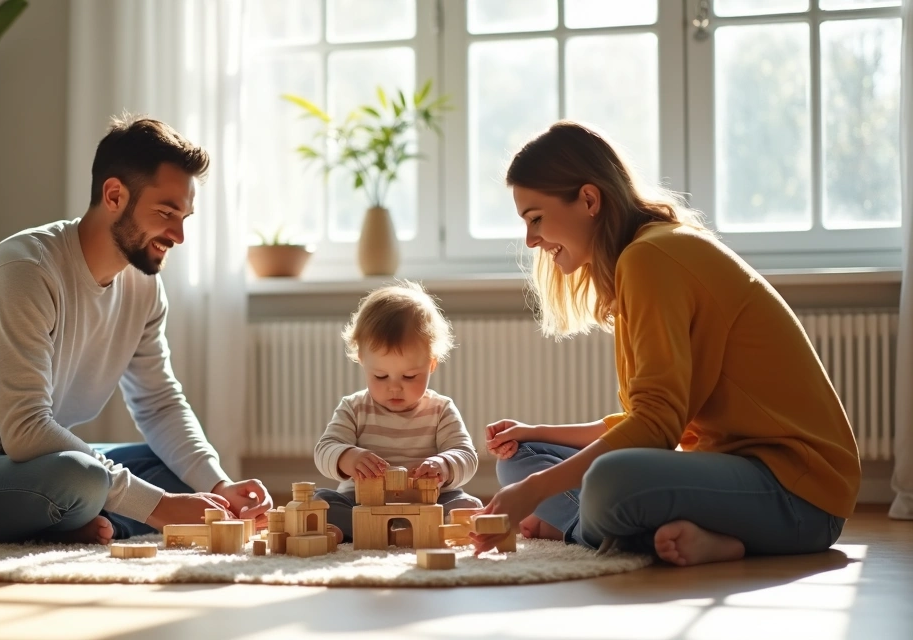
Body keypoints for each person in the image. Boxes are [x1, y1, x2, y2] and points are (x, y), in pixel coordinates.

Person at [472, 121, 860, 566]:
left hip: (799, 497)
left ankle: (579, 529)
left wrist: (537, 491)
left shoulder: (650, 258)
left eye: (536, 218)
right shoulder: (641, 257)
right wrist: (536, 435)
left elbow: (655, 429)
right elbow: (645, 422)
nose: (531, 240)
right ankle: (616, 530)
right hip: (738, 476)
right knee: (520, 459)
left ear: (589, 199)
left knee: (608, 481)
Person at [0, 115, 271, 546]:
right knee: (81, 477)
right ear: (114, 194)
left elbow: (159, 403)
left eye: (185, 216)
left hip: (41, 468)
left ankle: (90, 525)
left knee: (179, 469)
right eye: (166, 213)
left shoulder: (145, 287)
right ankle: (97, 517)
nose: (178, 235)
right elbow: (26, 433)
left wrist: (218, 485)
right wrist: (160, 507)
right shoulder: (25, 272)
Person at [314, 280, 482, 542]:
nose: (394, 388)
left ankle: (386, 534)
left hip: (428, 502)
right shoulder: (354, 407)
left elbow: (466, 456)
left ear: (431, 364)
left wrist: (443, 465)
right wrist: (349, 457)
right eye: (380, 376)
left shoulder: (440, 409)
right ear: (362, 361)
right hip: (361, 504)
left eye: (409, 376)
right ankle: (397, 534)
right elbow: (325, 448)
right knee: (321, 502)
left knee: (468, 506)